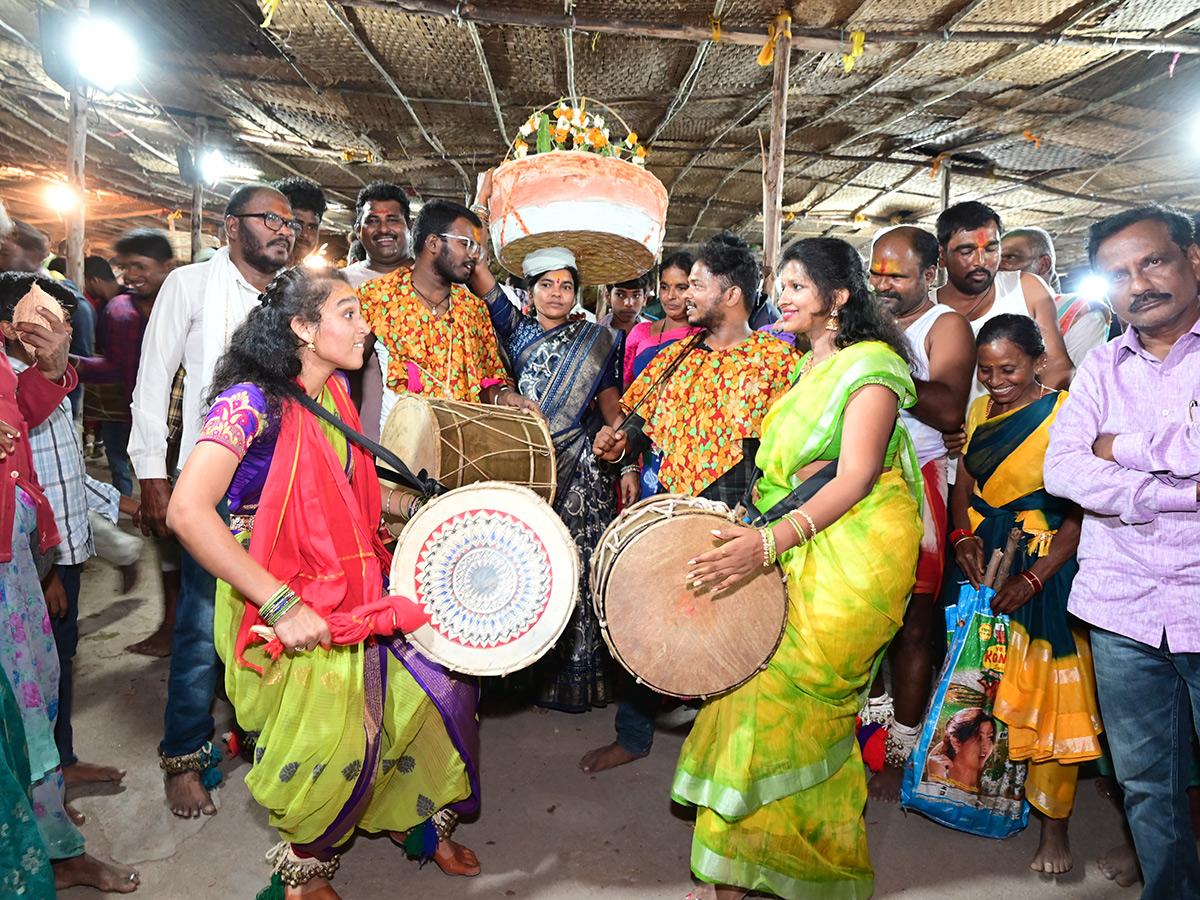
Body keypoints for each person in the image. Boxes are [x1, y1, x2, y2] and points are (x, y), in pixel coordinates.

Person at [168, 267, 480, 898]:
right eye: (349, 312)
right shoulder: (248, 403)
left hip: (356, 582)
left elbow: (344, 493)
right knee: (328, 736)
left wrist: (420, 516)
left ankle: (411, 820)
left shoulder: (332, 391)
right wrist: (281, 604)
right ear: (303, 328)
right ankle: (307, 869)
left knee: (422, 695)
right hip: (278, 598)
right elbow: (186, 512)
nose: (366, 324)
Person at [674, 236, 922, 900]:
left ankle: (796, 869)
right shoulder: (802, 367)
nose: (781, 297)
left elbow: (857, 476)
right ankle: (745, 869)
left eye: (797, 285)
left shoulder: (870, 366)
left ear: (838, 297)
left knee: (797, 709)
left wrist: (767, 545)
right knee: (752, 695)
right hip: (796, 546)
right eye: (779, 285)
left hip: (852, 562)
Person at [582, 232, 799, 773]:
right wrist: (618, 444)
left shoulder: (778, 361)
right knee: (650, 620)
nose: (683, 296)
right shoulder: (673, 356)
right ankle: (633, 736)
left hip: (743, 514)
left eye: (696, 285)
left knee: (735, 632)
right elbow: (633, 424)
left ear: (730, 295)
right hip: (672, 508)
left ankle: (726, 751)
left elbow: (794, 450)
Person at [1044, 205, 1200, 900]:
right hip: (1122, 609)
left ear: (1194, 259)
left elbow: (1097, 464)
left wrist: (1123, 452)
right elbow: (1064, 472)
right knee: (1145, 786)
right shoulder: (1100, 366)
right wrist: (1172, 490)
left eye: (1154, 261)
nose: (1139, 284)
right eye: (1118, 274)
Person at [129, 183, 297, 818]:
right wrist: (151, 473)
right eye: (269, 220)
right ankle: (183, 756)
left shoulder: (289, 299)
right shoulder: (190, 285)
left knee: (268, 621)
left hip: (276, 484)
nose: (284, 230)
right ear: (232, 227)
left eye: (288, 223)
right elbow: (153, 378)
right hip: (209, 488)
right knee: (199, 629)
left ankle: (262, 738)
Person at [0, 258, 138, 893]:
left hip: (16, 569)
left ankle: (53, 844)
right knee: (23, 715)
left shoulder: (11, 372)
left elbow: (23, 421)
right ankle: (48, 848)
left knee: (35, 704)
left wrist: (55, 367)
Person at [950, 313, 1101, 874]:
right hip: (988, 559)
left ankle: (1054, 829)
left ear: (1040, 361)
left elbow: (1082, 514)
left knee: (1051, 699)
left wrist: (1033, 577)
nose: (996, 380)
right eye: (985, 371)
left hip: (1046, 567)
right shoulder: (980, 411)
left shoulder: (1066, 415)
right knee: (986, 684)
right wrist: (963, 535)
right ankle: (986, 792)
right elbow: (965, 482)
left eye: (1008, 368)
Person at [469, 245, 624, 710]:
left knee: (575, 567)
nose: (556, 293)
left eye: (566, 286)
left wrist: (626, 458)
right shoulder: (514, 329)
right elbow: (481, 276)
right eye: (546, 284)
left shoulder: (599, 340)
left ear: (577, 293)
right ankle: (518, 678)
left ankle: (574, 678)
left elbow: (610, 404)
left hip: (583, 468)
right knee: (523, 566)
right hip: (526, 466)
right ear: (530, 292)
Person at [865, 225, 975, 802]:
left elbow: (948, 407)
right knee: (860, 621)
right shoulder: (863, 322)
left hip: (917, 485)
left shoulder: (945, 325)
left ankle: (902, 749)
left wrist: (874, 367)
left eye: (897, 274)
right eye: (876, 272)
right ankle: (864, 734)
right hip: (859, 481)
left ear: (929, 276)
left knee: (911, 627)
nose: (882, 284)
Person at [75, 229, 176, 653]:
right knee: (164, 528)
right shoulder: (122, 311)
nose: (130, 275)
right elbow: (118, 368)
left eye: (140, 266)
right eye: (126, 266)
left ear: (167, 267)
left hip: (196, 428)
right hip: (151, 432)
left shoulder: (187, 300)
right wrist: (66, 364)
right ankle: (172, 622)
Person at [358, 198, 534, 438]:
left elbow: (486, 385)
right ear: (433, 243)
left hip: (462, 453)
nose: (474, 256)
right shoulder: (377, 297)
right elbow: (349, 372)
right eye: (465, 244)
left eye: (477, 248)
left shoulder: (474, 309)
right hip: (399, 456)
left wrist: (504, 396)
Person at [935, 201, 1073, 408]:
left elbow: (1058, 368)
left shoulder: (1027, 289)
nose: (981, 261)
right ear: (942, 256)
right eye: (966, 251)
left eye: (991, 249)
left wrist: (1018, 422)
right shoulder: (927, 310)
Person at [342, 182, 413, 441]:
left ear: (410, 226)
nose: (383, 229)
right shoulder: (339, 283)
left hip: (425, 430)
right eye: (373, 220)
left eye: (392, 220)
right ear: (358, 229)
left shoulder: (435, 283)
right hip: (356, 430)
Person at [1000, 226, 1112, 366]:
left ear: (1044, 264)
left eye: (1010, 258)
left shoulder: (1079, 312)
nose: (999, 266)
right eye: (996, 259)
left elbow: (1078, 382)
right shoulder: (990, 312)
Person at [621, 252, 701, 386]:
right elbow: (625, 387)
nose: (670, 296)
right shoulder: (641, 333)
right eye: (664, 287)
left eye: (681, 288)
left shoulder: (705, 336)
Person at [925, 708, 997, 791]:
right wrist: (935, 780)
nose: (985, 746)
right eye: (979, 738)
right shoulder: (934, 775)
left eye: (990, 738)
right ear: (956, 742)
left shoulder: (991, 785)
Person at [273, 177, 327, 266]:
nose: (305, 234)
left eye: (311, 228)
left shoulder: (305, 278)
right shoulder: (257, 275)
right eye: (296, 224)